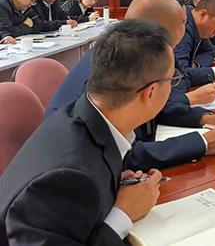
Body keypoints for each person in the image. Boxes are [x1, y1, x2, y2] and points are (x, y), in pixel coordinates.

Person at [0, 20, 170, 245]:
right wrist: (123, 213)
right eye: (172, 80)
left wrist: (111, 189)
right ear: (151, 92)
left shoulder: (82, 112)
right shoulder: (70, 177)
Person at [45, 0, 215, 169]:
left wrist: (201, 117)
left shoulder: (126, 52)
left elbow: (152, 111)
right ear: (158, 29)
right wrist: (202, 143)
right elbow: (122, 154)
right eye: (182, 22)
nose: (185, 28)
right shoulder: (112, 68)